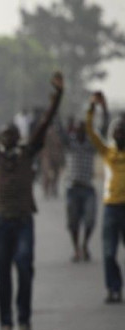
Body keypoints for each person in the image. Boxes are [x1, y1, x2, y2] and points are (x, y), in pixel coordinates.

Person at [0, 69, 63, 330]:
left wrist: (58, 95)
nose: (7, 136)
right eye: (3, 134)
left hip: (22, 220)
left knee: (24, 266)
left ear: (17, 137)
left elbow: (45, 122)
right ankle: (6, 321)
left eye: (11, 133)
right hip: (0, 220)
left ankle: (24, 319)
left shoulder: (27, 153)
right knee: (2, 272)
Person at [85, 91, 125, 303]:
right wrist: (96, 108)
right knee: (109, 253)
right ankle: (114, 288)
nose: (119, 134)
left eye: (122, 131)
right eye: (116, 131)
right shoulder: (108, 152)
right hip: (111, 207)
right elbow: (91, 131)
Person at [64, 110, 108, 262]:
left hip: (88, 187)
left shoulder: (91, 144)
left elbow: (103, 129)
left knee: (90, 220)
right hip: (73, 187)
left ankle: (85, 244)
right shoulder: (71, 142)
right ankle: (76, 248)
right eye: (79, 128)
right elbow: (59, 131)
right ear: (75, 130)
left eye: (84, 128)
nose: (81, 130)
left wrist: (104, 110)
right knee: (73, 222)